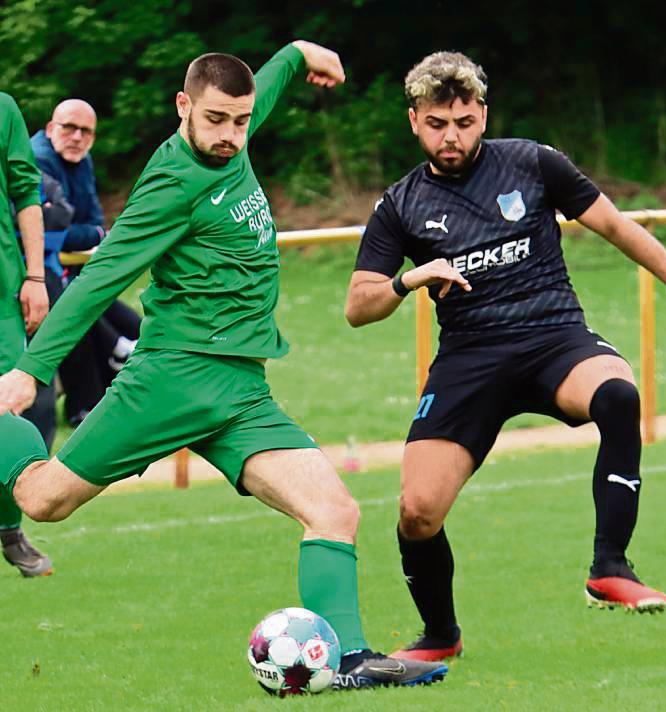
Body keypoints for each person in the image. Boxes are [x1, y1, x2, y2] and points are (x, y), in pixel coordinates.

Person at [0, 42, 447, 690]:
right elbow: (99, 282)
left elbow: (263, 83)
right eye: (216, 120)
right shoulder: (172, 185)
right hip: (171, 381)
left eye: (240, 121)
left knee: (335, 511)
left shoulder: (233, 123)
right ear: (184, 107)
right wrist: (31, 371)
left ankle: (347, 662)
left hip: (240, 388)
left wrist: (299, 53)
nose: (231, 135)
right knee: (44, 500)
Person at [345, 51, 666, 661]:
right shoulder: (401, 203)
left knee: (618, 392)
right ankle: (440, 637)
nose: (451, 136)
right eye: (436, 123)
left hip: (553, 338)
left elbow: (615, 226)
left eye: (463, 121)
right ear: (414, 122)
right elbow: (357, 305)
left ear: (482, 113)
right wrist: (410, 280)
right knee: (417, 512)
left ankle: (609, 566)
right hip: (470, 360)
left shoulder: (533, 163)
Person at [31, 101, 140, 426]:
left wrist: (89, 231)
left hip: (75, 272)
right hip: (38, 273)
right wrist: (91, 232)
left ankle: (107, 400)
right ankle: (86, 408)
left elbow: (90, 223)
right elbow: (46, 229)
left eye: (86, 131)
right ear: (51, 129)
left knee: (134, 327)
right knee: (76, 318)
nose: (77, 137)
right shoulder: (36, 159)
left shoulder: (82, 161)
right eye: (69, 127)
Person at [0, 93, 54, 578]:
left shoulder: (3, 109)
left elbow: (26, 194)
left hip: (1, 296)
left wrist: (35, 277)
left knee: (9, 411)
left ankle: (8, 526)